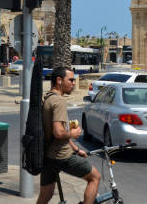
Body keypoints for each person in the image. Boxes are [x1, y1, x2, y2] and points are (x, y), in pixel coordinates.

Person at [37, 67, 101, 204]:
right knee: (95, 177)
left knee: (44, 196)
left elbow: (56, 134)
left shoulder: (47, 97)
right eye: (71, 80)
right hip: (61, 156)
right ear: (59, 80)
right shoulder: (59, 101)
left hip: (48, 156)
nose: (73, 83)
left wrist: (76, 149)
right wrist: (72, 133)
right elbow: (58, 133)